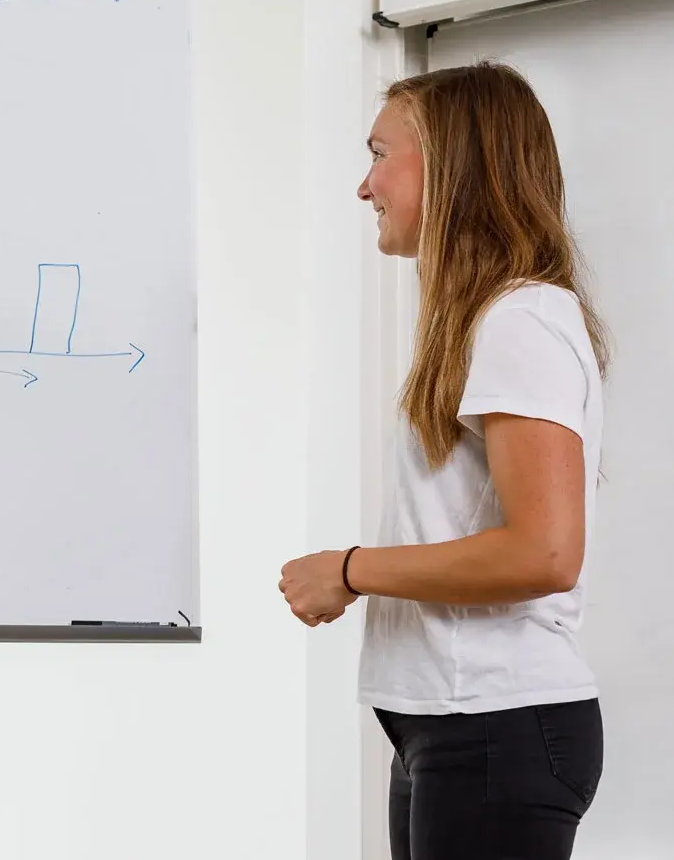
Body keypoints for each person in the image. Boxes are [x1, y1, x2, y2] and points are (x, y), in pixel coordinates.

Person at [279, 62, 607, 858]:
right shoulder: (483, 322)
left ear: (451, 166)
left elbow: (546, 552)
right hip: (450, 729)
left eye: (379, 154)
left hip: (492, 729)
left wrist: (351, 569)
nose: (365, 186)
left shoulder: (520, 320)